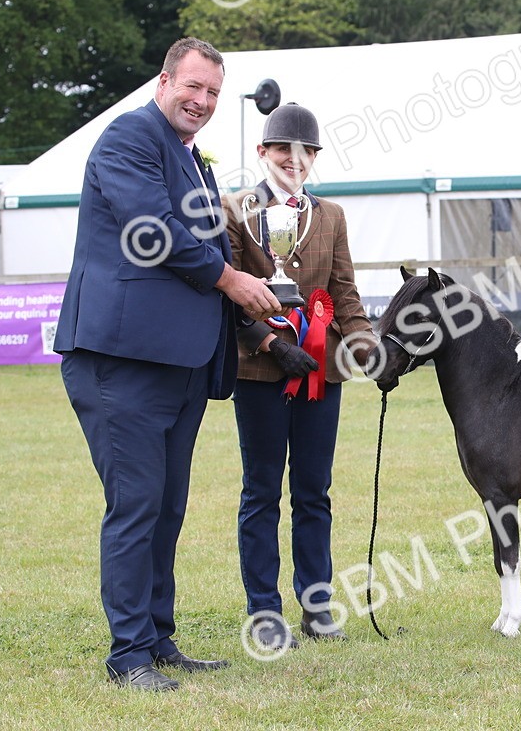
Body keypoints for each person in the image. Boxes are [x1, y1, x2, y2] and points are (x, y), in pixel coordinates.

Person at [55, 37, 281, 691]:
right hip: (121, 362)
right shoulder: (129, 138)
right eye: (194, 87)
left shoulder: (191, 160)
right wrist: (232, 280)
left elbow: (204, 245)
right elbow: (152, 231)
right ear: (164, 80)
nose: (203, 101)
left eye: (213, 92)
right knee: (136, 505)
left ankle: (156, 638)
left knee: (166, 508)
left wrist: (260, 323)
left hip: (179, 364)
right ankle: (127, 656)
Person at [224, 102, 375, 650]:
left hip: (320, 371)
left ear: (313, 158)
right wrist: (265, 341)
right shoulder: (235, 208)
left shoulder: (330, 216)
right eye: (283, 149)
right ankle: (264, 610)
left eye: (305, 151)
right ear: (263, 153)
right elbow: (227, 294)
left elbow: (343, 292)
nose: (295, 160)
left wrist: (364, 346)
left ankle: (317, 604)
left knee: (314, 491)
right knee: (261, 491)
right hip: (260, 371)